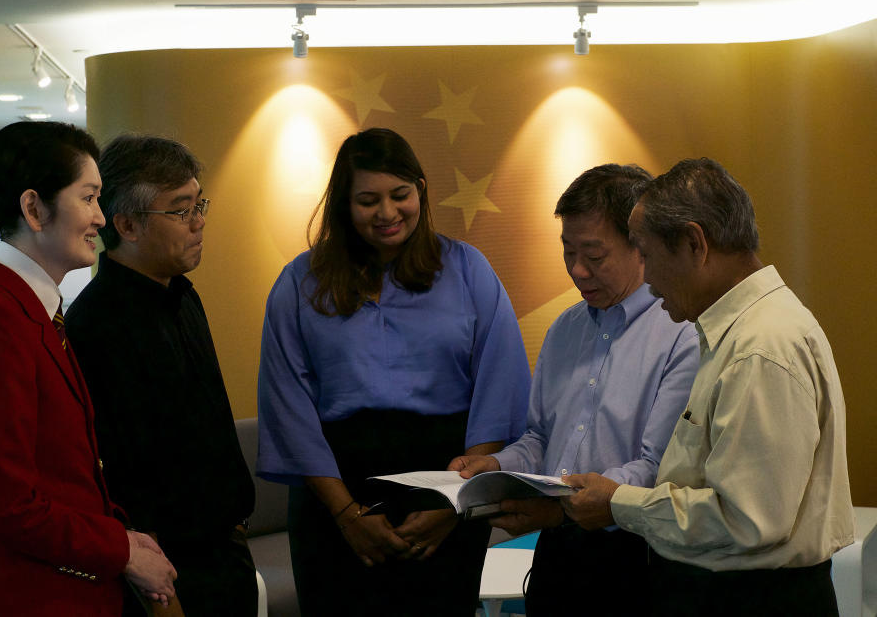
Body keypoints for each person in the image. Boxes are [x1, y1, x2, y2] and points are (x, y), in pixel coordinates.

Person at [256, 127, 530, 616]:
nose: (386, 213)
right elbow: (288, 405)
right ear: (343, 203)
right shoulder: (301, 281)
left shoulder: (468, 269)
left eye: (399, 195)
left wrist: (453, 506)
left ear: (420, 190)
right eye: (367, 200)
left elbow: (500, 389)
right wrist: (346, 515)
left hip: (448, 488)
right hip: (334, 497)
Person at [563, 158, 855, 616]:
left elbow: (747, 520)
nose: (647, 275)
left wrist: (619, 502)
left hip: (751, 598)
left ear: (695, 243)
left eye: (646, 253)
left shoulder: (760, 347)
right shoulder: (743, 331)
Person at [0, 121, 177, 616]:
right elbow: (11, 507)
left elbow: (64, 473)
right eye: (89, 198)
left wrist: (124, 536)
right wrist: (122, 551)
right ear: (33, 208)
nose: (101, 219)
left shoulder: (29, 307)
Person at [449, 163, 699, 616]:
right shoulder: (565, 328)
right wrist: (497, 464)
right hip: (556, 557)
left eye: (594, 255)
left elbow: (659, 469)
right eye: (568, 252)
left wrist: (563, 508)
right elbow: (541, 438)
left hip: (638, 559)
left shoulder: (680, 331)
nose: (578, 271)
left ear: (640, 245)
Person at [65, 134, 258, 616]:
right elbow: (120, 468)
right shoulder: (97, 323)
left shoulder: (182, 294)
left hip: (224, 548)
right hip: (166, 570)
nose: (199, 222)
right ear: (127, 224)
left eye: (199, 204)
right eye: (181, 210)